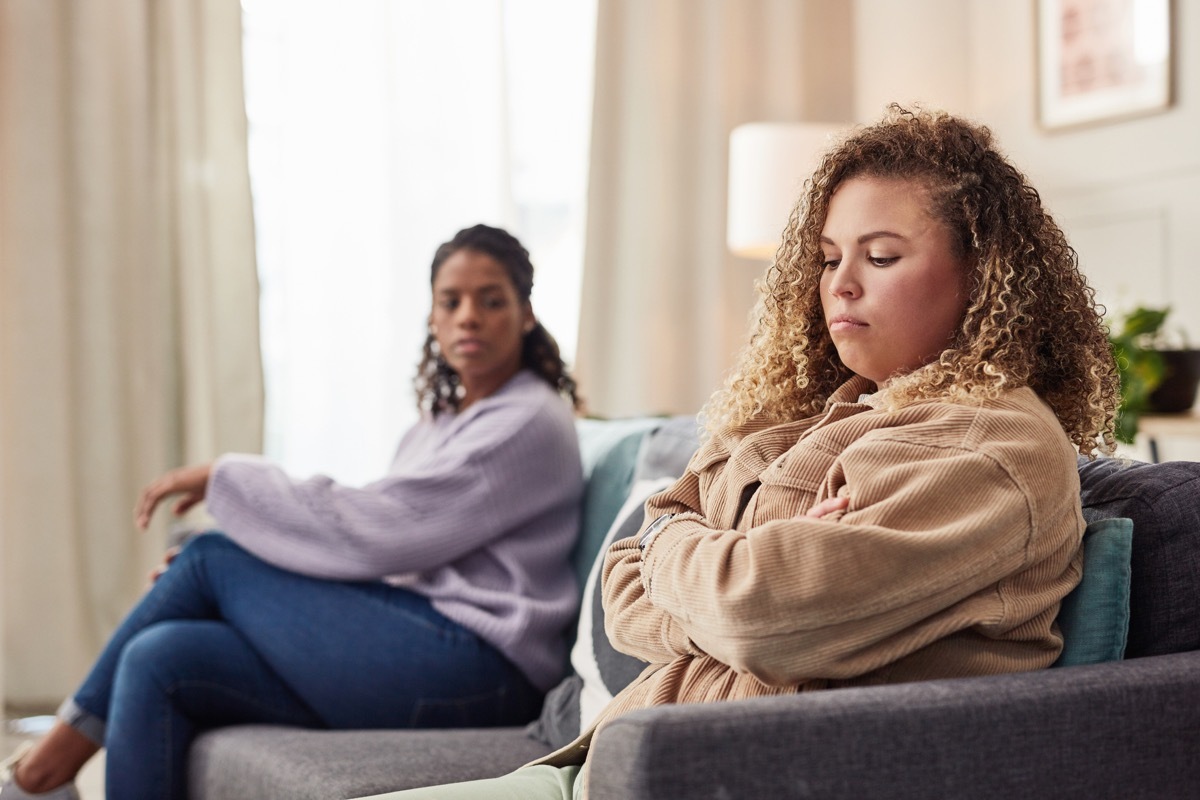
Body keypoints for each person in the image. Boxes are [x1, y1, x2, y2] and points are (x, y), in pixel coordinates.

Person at [355, 106, 1120, 800]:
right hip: (610, 765)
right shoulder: (807, 417)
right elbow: (622, 592)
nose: (841, 286)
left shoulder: (991, 449)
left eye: (880, 257)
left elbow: (758, 613)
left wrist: (710, 567)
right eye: (826, 258)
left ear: (983, 276)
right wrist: (723, 566)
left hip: (736, 772)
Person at [0, 224, 586, 800]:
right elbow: (384, 554)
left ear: (527, 313)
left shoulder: (529, 420)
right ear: (432, 317)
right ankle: (45, 778)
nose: (468, 317)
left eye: (491, 301)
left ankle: (39, 775)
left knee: (209, 558)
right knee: (161, 657)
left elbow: (379, 528)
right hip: (422, 647)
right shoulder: (437, 426)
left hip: (482, 672)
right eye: (450, 301)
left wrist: (225, 479)